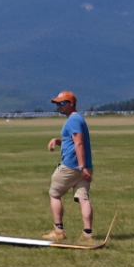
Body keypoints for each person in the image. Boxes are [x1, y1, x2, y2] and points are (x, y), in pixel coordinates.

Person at [43, 90, 94, 242]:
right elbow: (72, 141)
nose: (59, 106)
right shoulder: (76, 119)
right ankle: (87, 233)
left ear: (71, 104)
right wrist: (57, 141)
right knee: (83, 198)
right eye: (58, 104)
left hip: (72, 166)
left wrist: (81, 167)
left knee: (54, 194)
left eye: (62, 103)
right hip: (83, 166)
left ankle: (58, 230)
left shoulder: (73, 120)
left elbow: (78, 143)